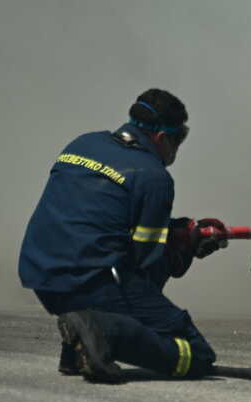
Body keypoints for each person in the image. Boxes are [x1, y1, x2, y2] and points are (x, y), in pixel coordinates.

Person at [19, 88, 227, 382]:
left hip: (44, 276)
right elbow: (147, 266)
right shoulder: (154, 176)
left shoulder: (83, 144)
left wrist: (175, 230)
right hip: (93, 281)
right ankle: (103, 332)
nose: (175, 152)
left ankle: (79, 346)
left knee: (114, 283)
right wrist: (184, 251)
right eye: (178, 141)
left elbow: (97, 218)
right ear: (161, 138)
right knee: (196, 354)